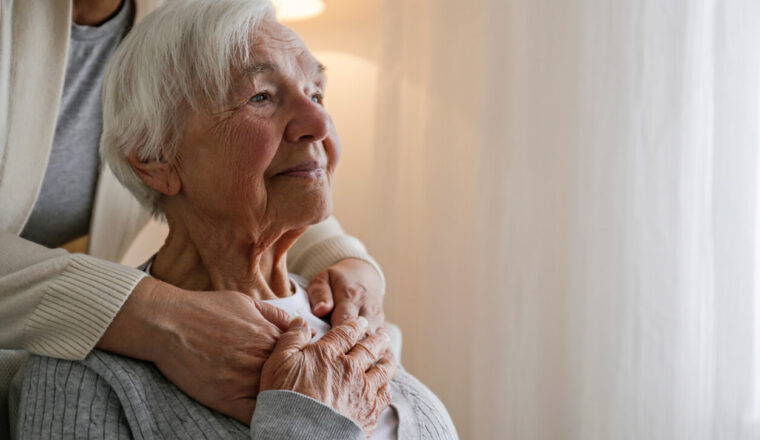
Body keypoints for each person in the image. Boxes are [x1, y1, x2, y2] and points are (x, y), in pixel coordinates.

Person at [12, 0, 458, 438]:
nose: (320, 121)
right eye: (260, 96)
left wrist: (349, 259)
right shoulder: (87, 380)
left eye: (317, 93)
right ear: (155, 159)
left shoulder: (355, 328)